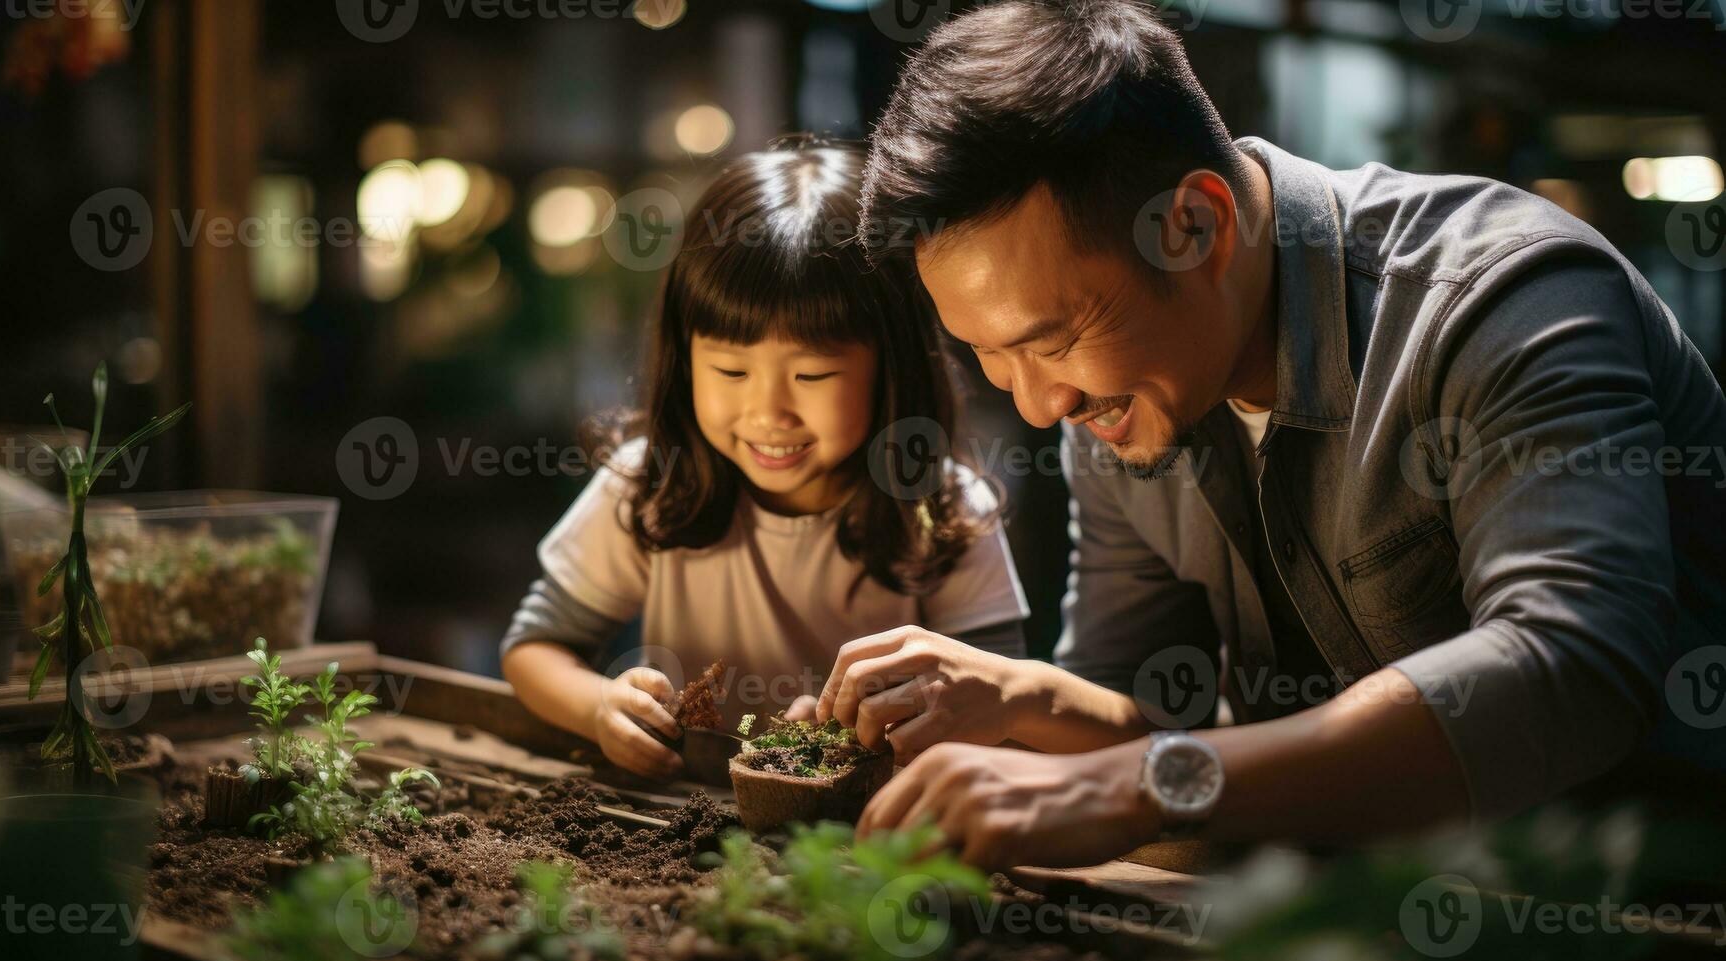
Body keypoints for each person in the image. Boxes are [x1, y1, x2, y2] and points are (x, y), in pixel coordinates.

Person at [820, 0, 1726, 870]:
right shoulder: (1116, 399)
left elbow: (1573, 665)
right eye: (987, 354)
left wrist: (1147, 784)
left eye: (1048, 341)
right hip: (1345, 912)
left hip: (1642, 910)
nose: (1034, 404)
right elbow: (1147, 726)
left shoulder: (1499, 299)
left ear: (1194, 227)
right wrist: (1029, 697)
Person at [500, 141, 1030, 779]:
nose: (768, 412)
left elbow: (1001, 712)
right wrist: (598, 707)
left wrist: (881, 733)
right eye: (729, 369)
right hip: (682, 824)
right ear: (684, 356)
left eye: (811, 374)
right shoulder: (654, 483)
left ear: (891, 368)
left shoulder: (940, 510)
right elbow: (535, 647)